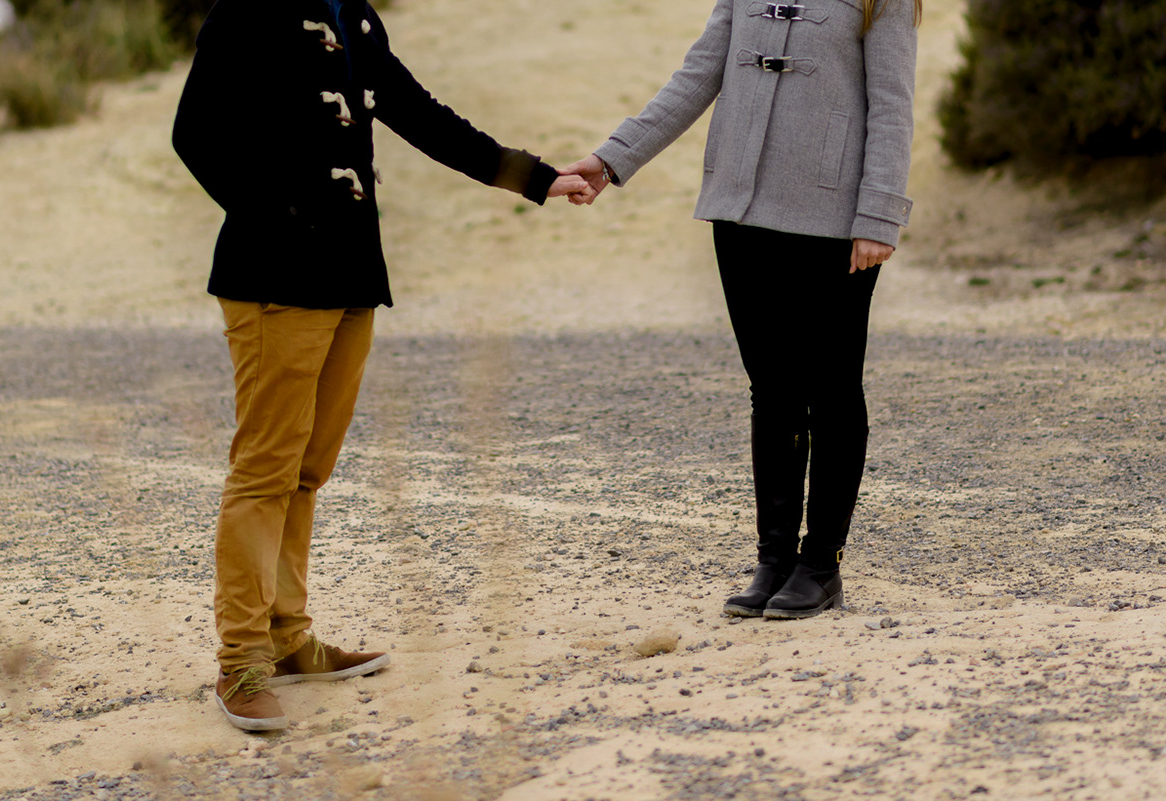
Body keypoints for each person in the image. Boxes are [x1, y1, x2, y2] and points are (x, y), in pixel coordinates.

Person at [172, 0, 591, 732]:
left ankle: (287, 636)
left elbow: (423, 117)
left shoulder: (353, 16)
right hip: (274, 279)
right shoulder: (247, 10)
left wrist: (535, 178)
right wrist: (280, 218)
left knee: (308, 465)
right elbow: (195, 134)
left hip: (352, 277)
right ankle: (240, 662)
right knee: (266, 466)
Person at [566, 0, 921, 619]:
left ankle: (821, 565)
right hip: (738, 209)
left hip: (833, 220)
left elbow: (892, 104)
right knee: (772, 389)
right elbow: (698, 74)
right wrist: (613, 157)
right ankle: (775, 559)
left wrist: (879, 215)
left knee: (833, 389)